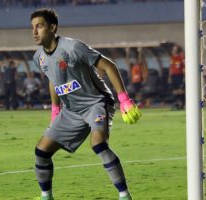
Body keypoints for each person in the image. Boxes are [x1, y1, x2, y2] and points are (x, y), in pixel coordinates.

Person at [30, 8, 141, 200]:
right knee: (41, 151)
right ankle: (46, 196)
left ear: (52, 27)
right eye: (32, 27)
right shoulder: (38, 57)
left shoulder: (73, 47)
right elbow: (53, 79)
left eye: (39, 26)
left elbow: (108, 66)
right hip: (71, 110)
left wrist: (124, 99)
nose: (34, 32)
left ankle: (124, 196)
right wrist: (55, 110)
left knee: (98, 144)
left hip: (96, 103)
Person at [168, 45, 185, 110]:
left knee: (180, 90)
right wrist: (169, 76)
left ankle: (182, 103)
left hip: (180, 75)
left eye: (176, 49)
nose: (174, 51)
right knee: (174, 90)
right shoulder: (172, 58)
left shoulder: (181, 57)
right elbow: (171, 68)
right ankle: (177, 103)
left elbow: (184, 67)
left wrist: (184, 76)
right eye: (173, 49)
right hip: (173, 76)